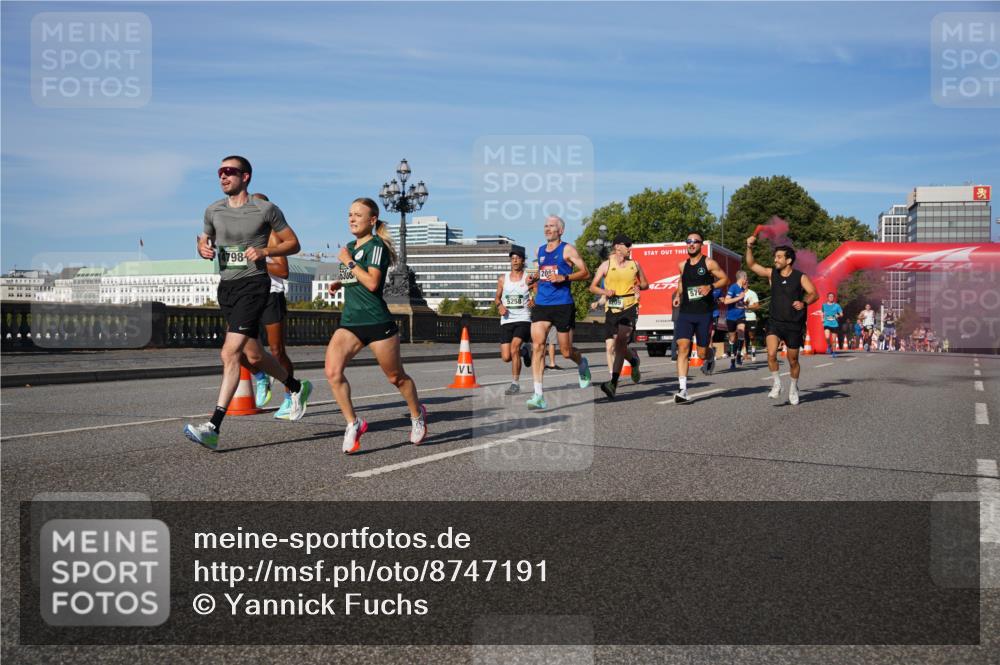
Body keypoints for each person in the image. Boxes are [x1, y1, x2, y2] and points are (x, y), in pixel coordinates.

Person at [184, 156, 312, 450]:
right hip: (226, 287)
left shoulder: (265, 209)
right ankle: (296, 387)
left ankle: (213, 426)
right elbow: (205, 238)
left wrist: (265, 250)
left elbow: (294, 242)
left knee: (229, 354)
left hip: (255, 285)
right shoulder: (212, 210)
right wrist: (202, 246)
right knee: (253, 356)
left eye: (230, 172)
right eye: (220, 172)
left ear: (246, 177)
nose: (223, 177)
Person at [324, 198, 427, 454]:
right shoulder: (350, 247)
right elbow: (357, 277)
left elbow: (372, 283)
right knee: (333, 372)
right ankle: (353, 422)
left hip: (377, 322)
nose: (352, 218)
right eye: (349, 214)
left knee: (396, 377)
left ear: (372, 220)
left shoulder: (376, 246)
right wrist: (340, 281)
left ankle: (417, 415)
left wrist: (347, 262)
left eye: (358, 215)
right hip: (350, 322)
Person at [526, 215, 591, 410]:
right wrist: (535, 278)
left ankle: (582, 363)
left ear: (560, 231)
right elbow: (543, 272)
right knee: (538, 346)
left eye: (552, 226)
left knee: (565, 351)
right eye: (545, 225)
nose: (547, 229)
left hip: (563, 304)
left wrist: (564, 276)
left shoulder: (568, 249)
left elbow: (586, 272)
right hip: (542, 304)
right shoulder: (539, 250)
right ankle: (538, 395)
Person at [242, 193, 297, 418]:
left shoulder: (273, 235)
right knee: (236, 350)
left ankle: (290, 396)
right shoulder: (243, 235)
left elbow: (283, 271)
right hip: (248, 297)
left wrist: (260, 259)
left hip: (271, 296)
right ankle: (261, 376)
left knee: (277, 351)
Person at [745, 236, 818, 405]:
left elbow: (814, 293)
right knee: (771, 354)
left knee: (793, 360)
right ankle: (777, 384)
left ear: (789, 260)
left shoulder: (800, 277)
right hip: (775, 322)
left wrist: (804, 302)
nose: (775, 259)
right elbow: (751, 265)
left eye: (779, 257)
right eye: (775, 257)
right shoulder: (772, 273)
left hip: (794, 324)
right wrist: (749, 246)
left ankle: (793, 387)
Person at [672, 232, 730, 403]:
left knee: (702, 353)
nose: (691, 244)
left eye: (694, 242)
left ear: (701, 245)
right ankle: (682, 390)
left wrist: (710, 286)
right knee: (683, 347)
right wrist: (677, 295)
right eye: (688, 241)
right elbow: (682, 282)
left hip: (704, 314)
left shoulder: (709, 263)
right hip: (686, 312)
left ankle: (710, 355)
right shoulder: (682, 265)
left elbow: (725, 279)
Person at [591, 234, 649, 399]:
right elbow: (592, 287)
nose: (630, 248)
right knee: (616, 347)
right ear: (618, 247)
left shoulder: (635, 265)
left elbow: (646, 284)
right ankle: (634, 361)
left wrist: (639, 287)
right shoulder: (606, 265)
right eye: (627, 245)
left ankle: (613, 384)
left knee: (620, 343)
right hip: (612, 309)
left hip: (629, 307)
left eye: (630, 246)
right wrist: (605, 292)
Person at [494, 245, 533, 395]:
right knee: (506, 357)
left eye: (518, 258)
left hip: (523, 318)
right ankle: (526, 351)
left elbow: (537, 294)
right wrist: (499, 305)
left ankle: (515, 384)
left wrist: (533, 301)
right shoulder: (503, 279)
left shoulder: (528, 278)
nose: (515, 261)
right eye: (513, 258)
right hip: (506, 320)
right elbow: (497, 297)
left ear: (523, 261)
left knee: (514, 347)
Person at [723, 271, 750, 369]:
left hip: (741, 316)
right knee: (732, 339)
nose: (746, 280)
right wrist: (739, 297)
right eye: (746, 278)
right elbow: (726, 301)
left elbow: (739, 302)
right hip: (731, 317)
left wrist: (744, 304)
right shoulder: (733, 287)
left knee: (741, 331)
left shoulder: (743, 288)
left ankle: (739, 354)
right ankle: (732, 359)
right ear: (742, 278)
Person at [820, 292, 844, 358]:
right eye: (830, 296)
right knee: (827, 337)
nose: (831, 297)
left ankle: (834, 352)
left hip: (834, 324)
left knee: (833, 340)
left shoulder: (837, 306)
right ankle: (829, 345)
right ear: (827, 298)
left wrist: (838, 315)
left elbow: (842, 314)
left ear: (834, 298)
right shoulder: (824, 305)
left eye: (832, 296)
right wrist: (822, 319)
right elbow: (822, 313)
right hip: (827, 323)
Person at [742, 282, 761, 361]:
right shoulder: (737, 293)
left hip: (751, 317)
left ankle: (753, 352)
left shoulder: (752, 293)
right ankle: (744, 354)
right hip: (741, 317)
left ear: (748, 284)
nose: (744, 285)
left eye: (745, 283)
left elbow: (757, 306)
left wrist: (747, 306)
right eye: (742, 283)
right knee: (742, 337)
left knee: (752, 337)